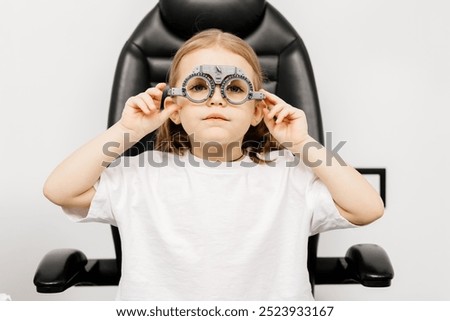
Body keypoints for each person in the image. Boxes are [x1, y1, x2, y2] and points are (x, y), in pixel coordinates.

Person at [43, 29, 384, 300]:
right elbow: (60, 190)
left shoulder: (290, 176)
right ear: (175, 107)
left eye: (235, 87)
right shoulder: (139, 175)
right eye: (199, 87)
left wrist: (301, 143)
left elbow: (367, 209)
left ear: (256, 110)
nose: (217, 97)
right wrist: (126, 130)